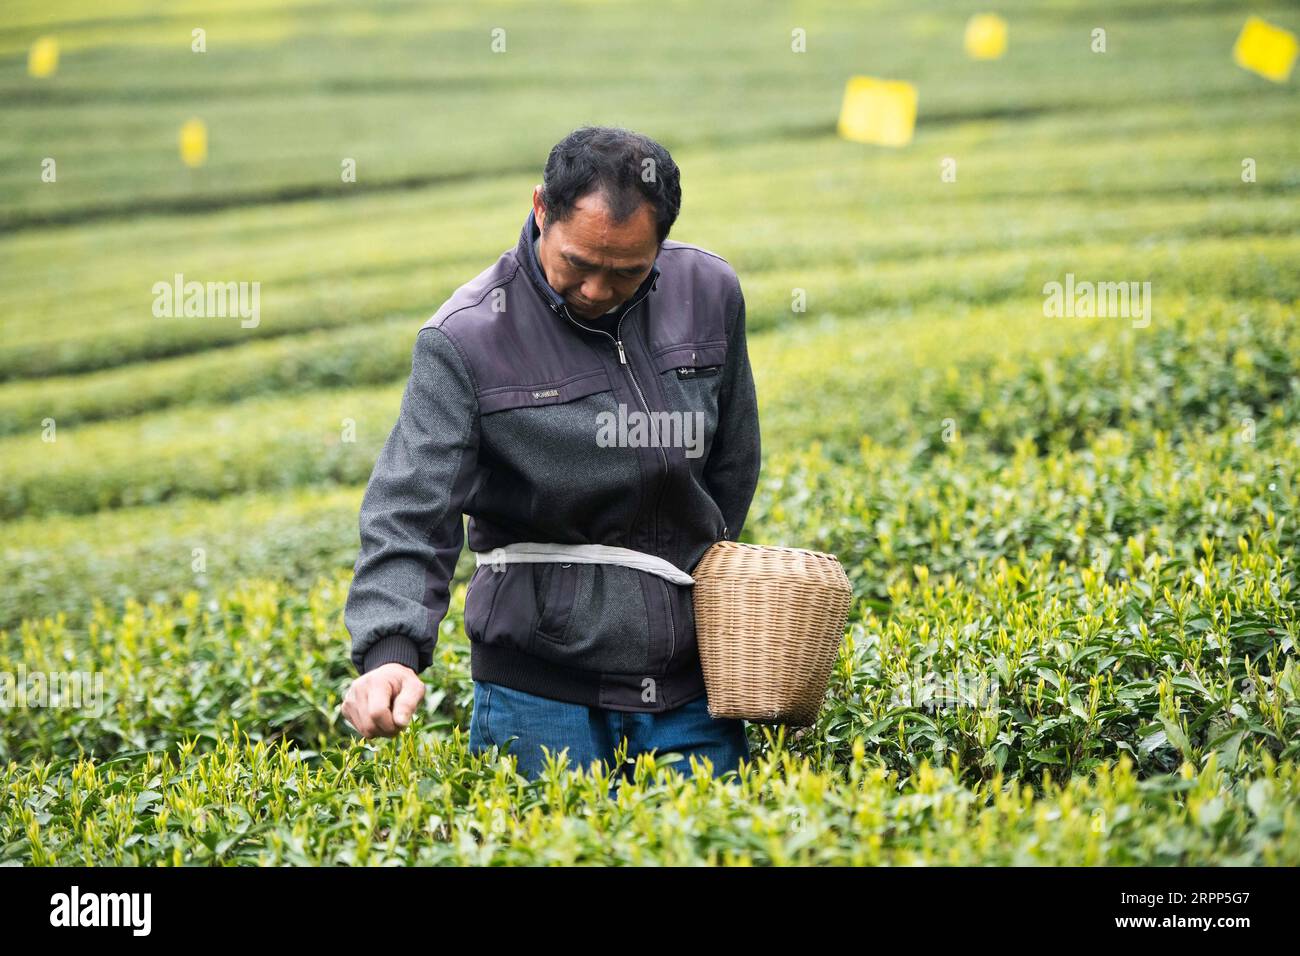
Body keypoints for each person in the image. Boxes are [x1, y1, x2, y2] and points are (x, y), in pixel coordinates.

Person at [340, 125, 761, 782]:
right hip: (538, 694)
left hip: (691, 688)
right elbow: (411, 507)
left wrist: (682, 581)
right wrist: (392, 650)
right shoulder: (468, 337)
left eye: (626, 271)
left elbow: (733, 462)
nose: (597, 290)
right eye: (578, 264)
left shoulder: (708, 292)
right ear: (541, 209)